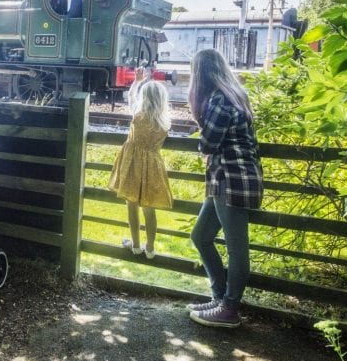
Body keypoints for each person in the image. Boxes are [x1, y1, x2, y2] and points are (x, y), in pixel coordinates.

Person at [187, 48, 263, 329]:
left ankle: (229, 308)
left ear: (201, 73)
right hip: (228, 178)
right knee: (201, 236)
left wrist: (202, 141)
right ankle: (220, 298)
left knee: (236, 247)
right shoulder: (234, 94)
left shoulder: (219, 99)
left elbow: (208, 143)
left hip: (231, 179)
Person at [108, 68, 173, 259]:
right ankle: (150, 248)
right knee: (149, 207)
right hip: (152, 164)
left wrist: (137, 81)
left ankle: (135, 245)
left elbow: (130, 97)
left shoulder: (139, 114)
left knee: (131, 204)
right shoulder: (164, 120)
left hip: (132, 162)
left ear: (144, 97)